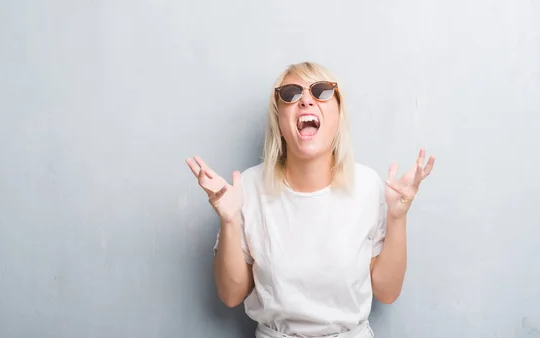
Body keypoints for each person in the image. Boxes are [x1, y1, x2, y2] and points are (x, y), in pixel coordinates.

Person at [185, 61, 435, 338]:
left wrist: (398, 217)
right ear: (279, 120)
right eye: (290, 93)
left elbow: (387, 292)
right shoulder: (248, 187)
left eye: (322, 91)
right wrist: (229, 220)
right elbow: (231, 295)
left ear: (338, 114)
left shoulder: (368, 186)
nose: (306, 100)